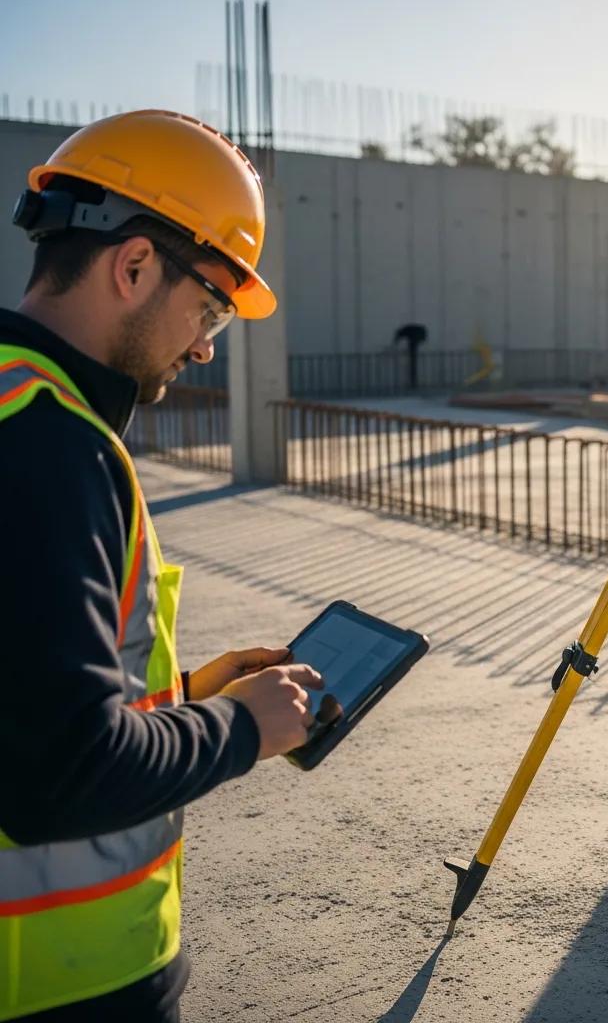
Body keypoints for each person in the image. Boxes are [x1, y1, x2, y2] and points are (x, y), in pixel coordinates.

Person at [0, 110, 324, 1022]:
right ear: (135, 266)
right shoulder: (50, 445)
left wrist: (182, 697)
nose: (208, 343)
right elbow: (58, 774)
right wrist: (240, 727)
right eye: (211, 306)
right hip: (55, 986)